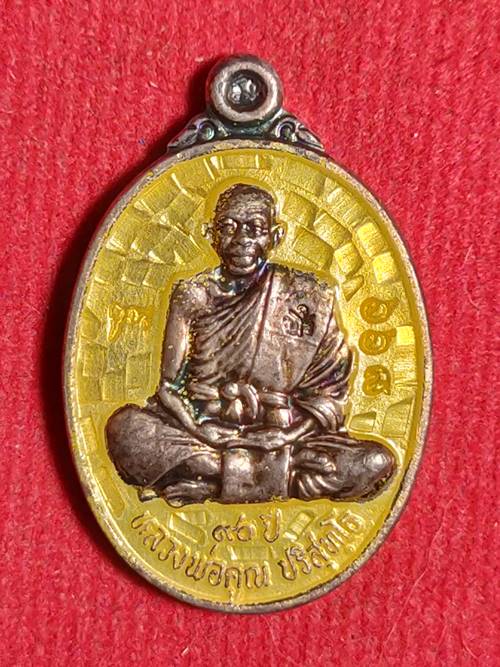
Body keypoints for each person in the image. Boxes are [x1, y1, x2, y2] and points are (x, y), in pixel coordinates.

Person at [106, 183, 395, 505]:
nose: (241, 239)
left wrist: (285, 435)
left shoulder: (311, 297)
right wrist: (200, 429)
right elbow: (168, 389)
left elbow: (329, 396)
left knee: (375, 462)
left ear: (275, 236)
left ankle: (215, 478)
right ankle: (271, 478)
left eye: (255, 228)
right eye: (229, 228)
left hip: (282, 435)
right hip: (205, 431)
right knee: (126, 429)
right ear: (211, 234)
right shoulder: (192, 295)